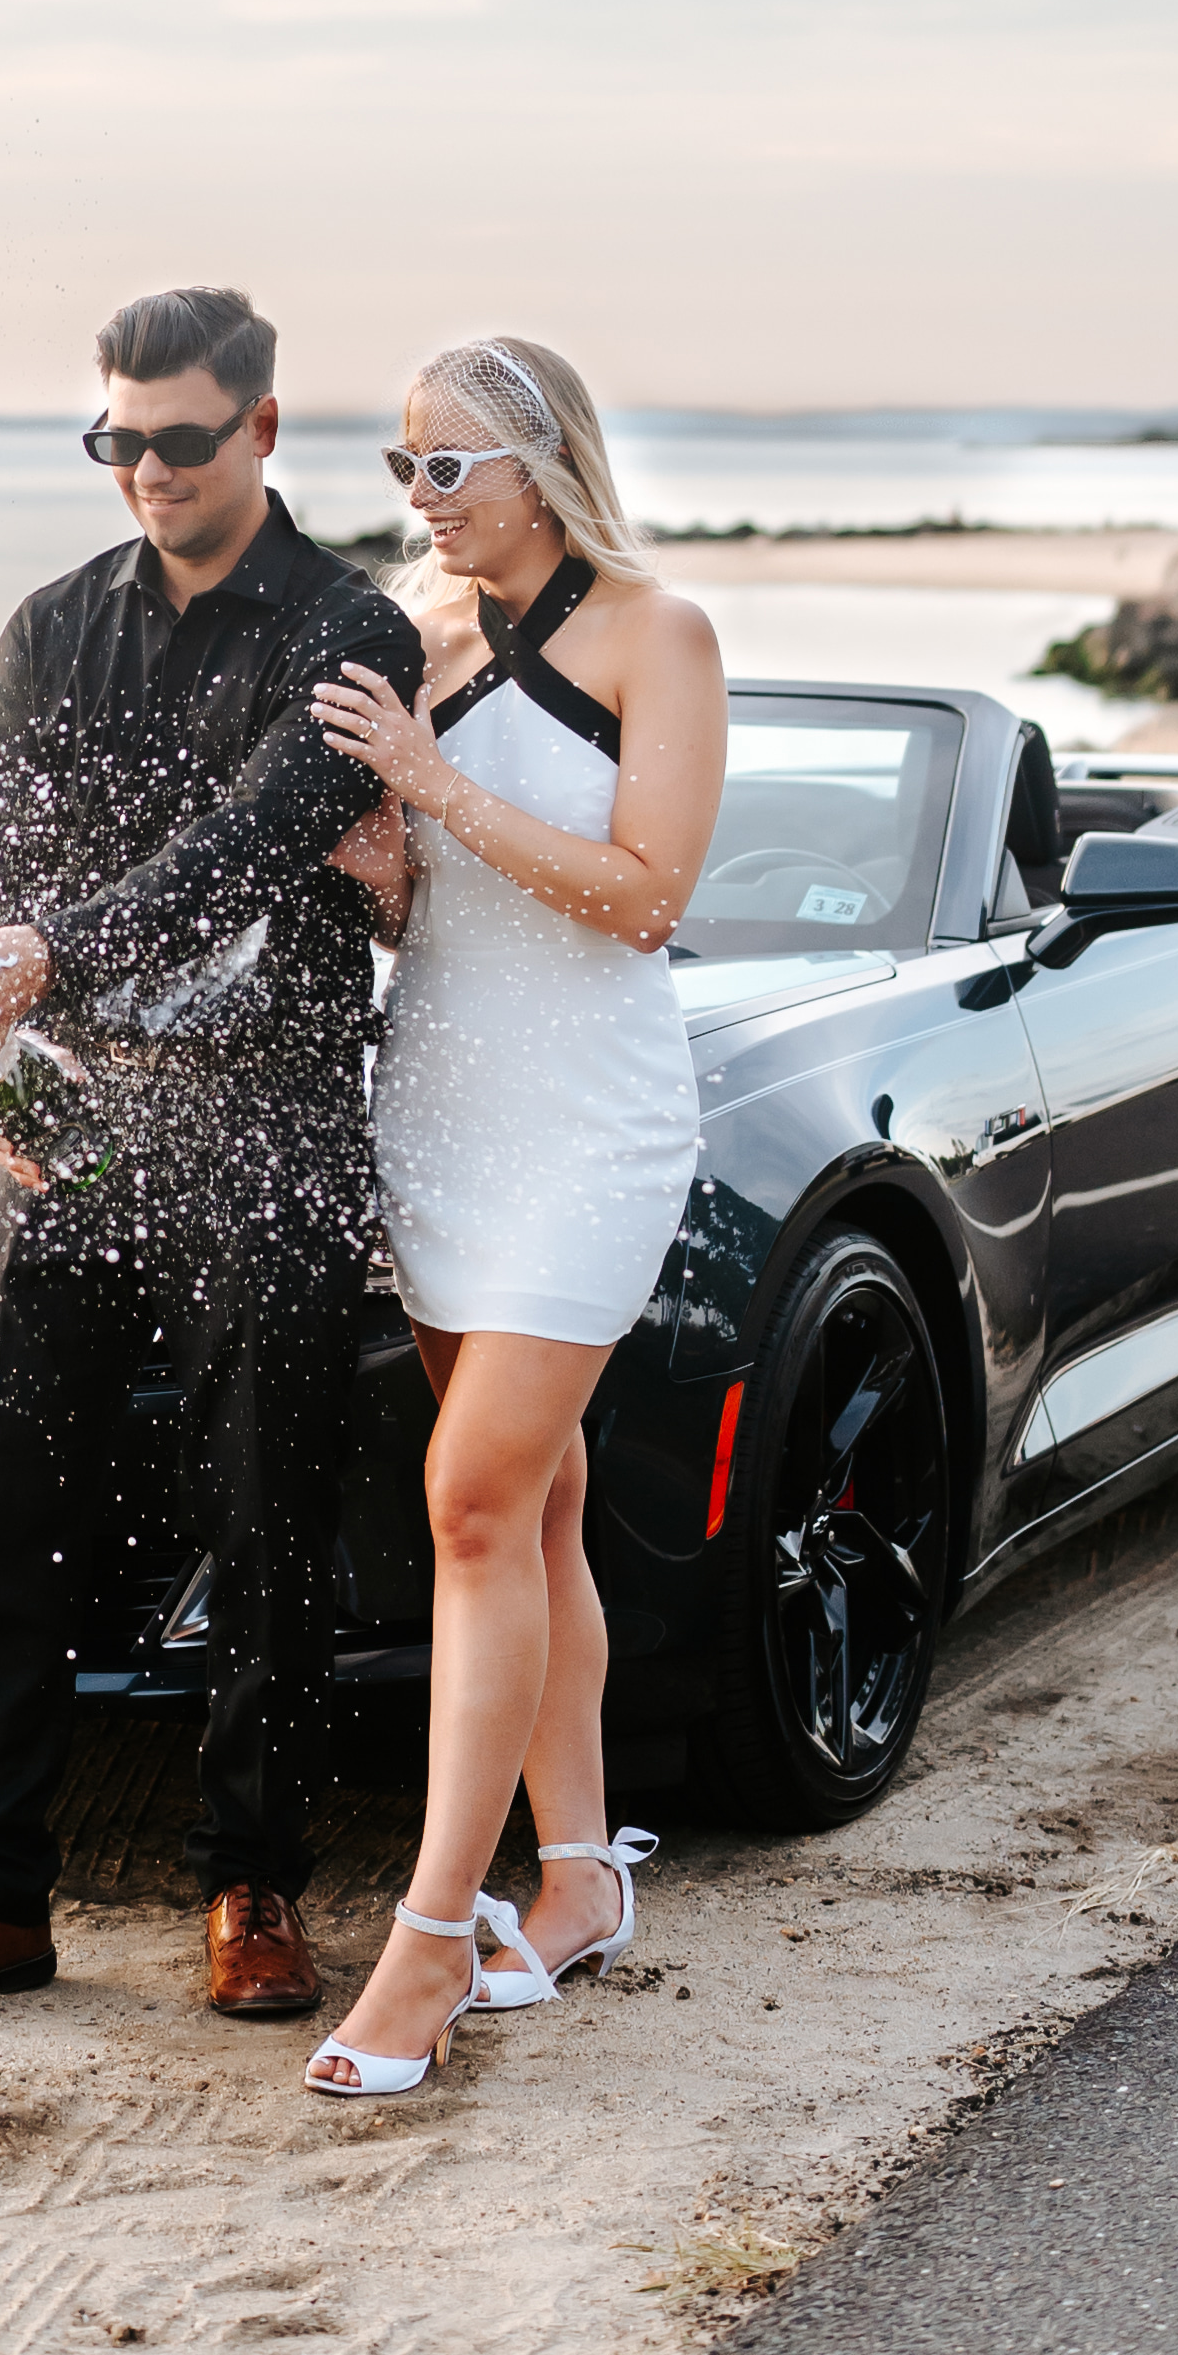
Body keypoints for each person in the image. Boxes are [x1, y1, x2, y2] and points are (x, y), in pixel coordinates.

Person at [0, 283, 423, 2036]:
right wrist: (3, 1051)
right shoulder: (44, 631)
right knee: (1, 1514)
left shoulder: (351, 631)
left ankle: (252, 1887)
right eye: (117, 440)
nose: (146, 470)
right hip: (72, 1126)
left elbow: (248, 854)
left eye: (178, 440)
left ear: (257, 430)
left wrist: (42, 961)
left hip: (275, 1125)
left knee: (268, 1517)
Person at [296, 333, 725, 2101]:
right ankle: (580, 1877)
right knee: (534, 1508)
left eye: (448, 466)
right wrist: (389, 874)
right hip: (442, 1118)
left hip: (588, 1132)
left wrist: (441, 786)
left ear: (543, 462)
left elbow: (644, 900)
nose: (421, 500)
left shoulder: (656, 633)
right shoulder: (420, 637)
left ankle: (426, 1941)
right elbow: (441, 919)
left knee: (468, 1498)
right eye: (403, 467)